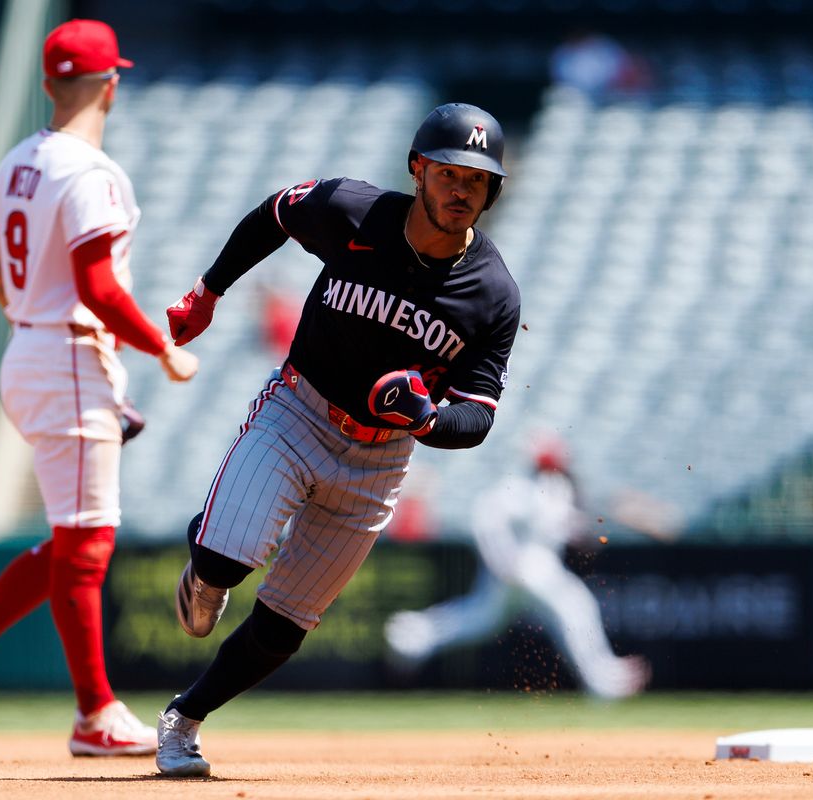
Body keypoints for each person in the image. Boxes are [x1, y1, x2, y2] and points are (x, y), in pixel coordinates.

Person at [155, 103, 521, 777]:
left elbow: (478, 414)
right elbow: (275, 213)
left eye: (477, 179)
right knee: (227, 561)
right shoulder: (354, 212)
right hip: (299, 409)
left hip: (381, 458)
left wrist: (427, 421)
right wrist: (209, 290)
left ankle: (185, 718)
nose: (462, 189)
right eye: (448, 172)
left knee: (287, 621)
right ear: (418, 170)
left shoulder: (492, 293)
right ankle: (206, 566)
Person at [0, 18, 198, 759]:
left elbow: (3, 279)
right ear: (112, 83)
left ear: (45, 84)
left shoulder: (17, 163)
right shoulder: (91, 171)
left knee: (72, 543)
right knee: (89, 544)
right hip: (67, 355)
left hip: (30, 351)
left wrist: (43, 330)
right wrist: (161, 347)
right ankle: (95, 713)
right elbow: (98, 287)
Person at [383, 435, 651, 700]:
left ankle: (412, 637)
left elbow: (569, 526)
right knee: (575, 607)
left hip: (523, 569)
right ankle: (603, 682)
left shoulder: (555, 489)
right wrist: (503, 560)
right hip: (527, 566)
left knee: (478, 620)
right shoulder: (523, 487)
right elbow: (487, 519)